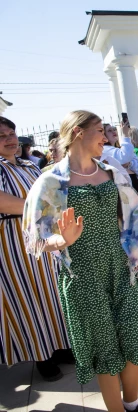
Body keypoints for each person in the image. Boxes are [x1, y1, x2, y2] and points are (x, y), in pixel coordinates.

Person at [23, 110, 138, 412]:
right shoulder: (51, 181)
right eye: (99, 131)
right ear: (79, 132)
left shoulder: (110, 171)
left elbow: (137, 217)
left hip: (121, 269)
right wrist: (63, 240)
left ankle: (132, 402)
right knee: (106, 351)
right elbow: (36, 238)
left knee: (137, 335)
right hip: (82, 276)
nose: (106, 138)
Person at [0, 117, 73, 382]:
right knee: (28, 298)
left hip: (43, 237)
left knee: (52, 293)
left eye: (12, 133)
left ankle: (61, 346)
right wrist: (40, 208)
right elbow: (4, 203)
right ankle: (41, 356)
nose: (10, 139)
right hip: (13, 242)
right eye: (2, 136)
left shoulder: (29, 165)